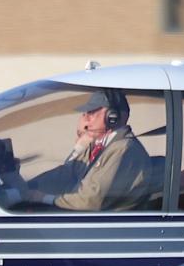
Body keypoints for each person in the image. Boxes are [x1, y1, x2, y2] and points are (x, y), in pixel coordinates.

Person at [25, 90, 154, 211]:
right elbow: (67, 174)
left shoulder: (123, 149)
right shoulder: (99, 145)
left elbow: (90, 201)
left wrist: (45, 198)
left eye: (92, 112)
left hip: (105, 224)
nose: (85, 118)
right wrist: (26, 188)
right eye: (85, 113)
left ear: (112, 117)